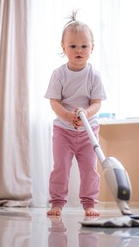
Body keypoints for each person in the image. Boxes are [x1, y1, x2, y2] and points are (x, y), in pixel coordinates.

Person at [44, 12, 107, 217]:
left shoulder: (94, 75)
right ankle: (57, 203)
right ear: (63, 47)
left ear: (92, 48)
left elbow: (96, 103)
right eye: (73, 46)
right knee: (60, 168)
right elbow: (54, 102)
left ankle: (89, 203)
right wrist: (67, 116)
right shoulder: (59, 74)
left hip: (89, 132)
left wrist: (86, 114)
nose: (78, 50)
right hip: (63, 131)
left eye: (83, 46)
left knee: (89, 169)